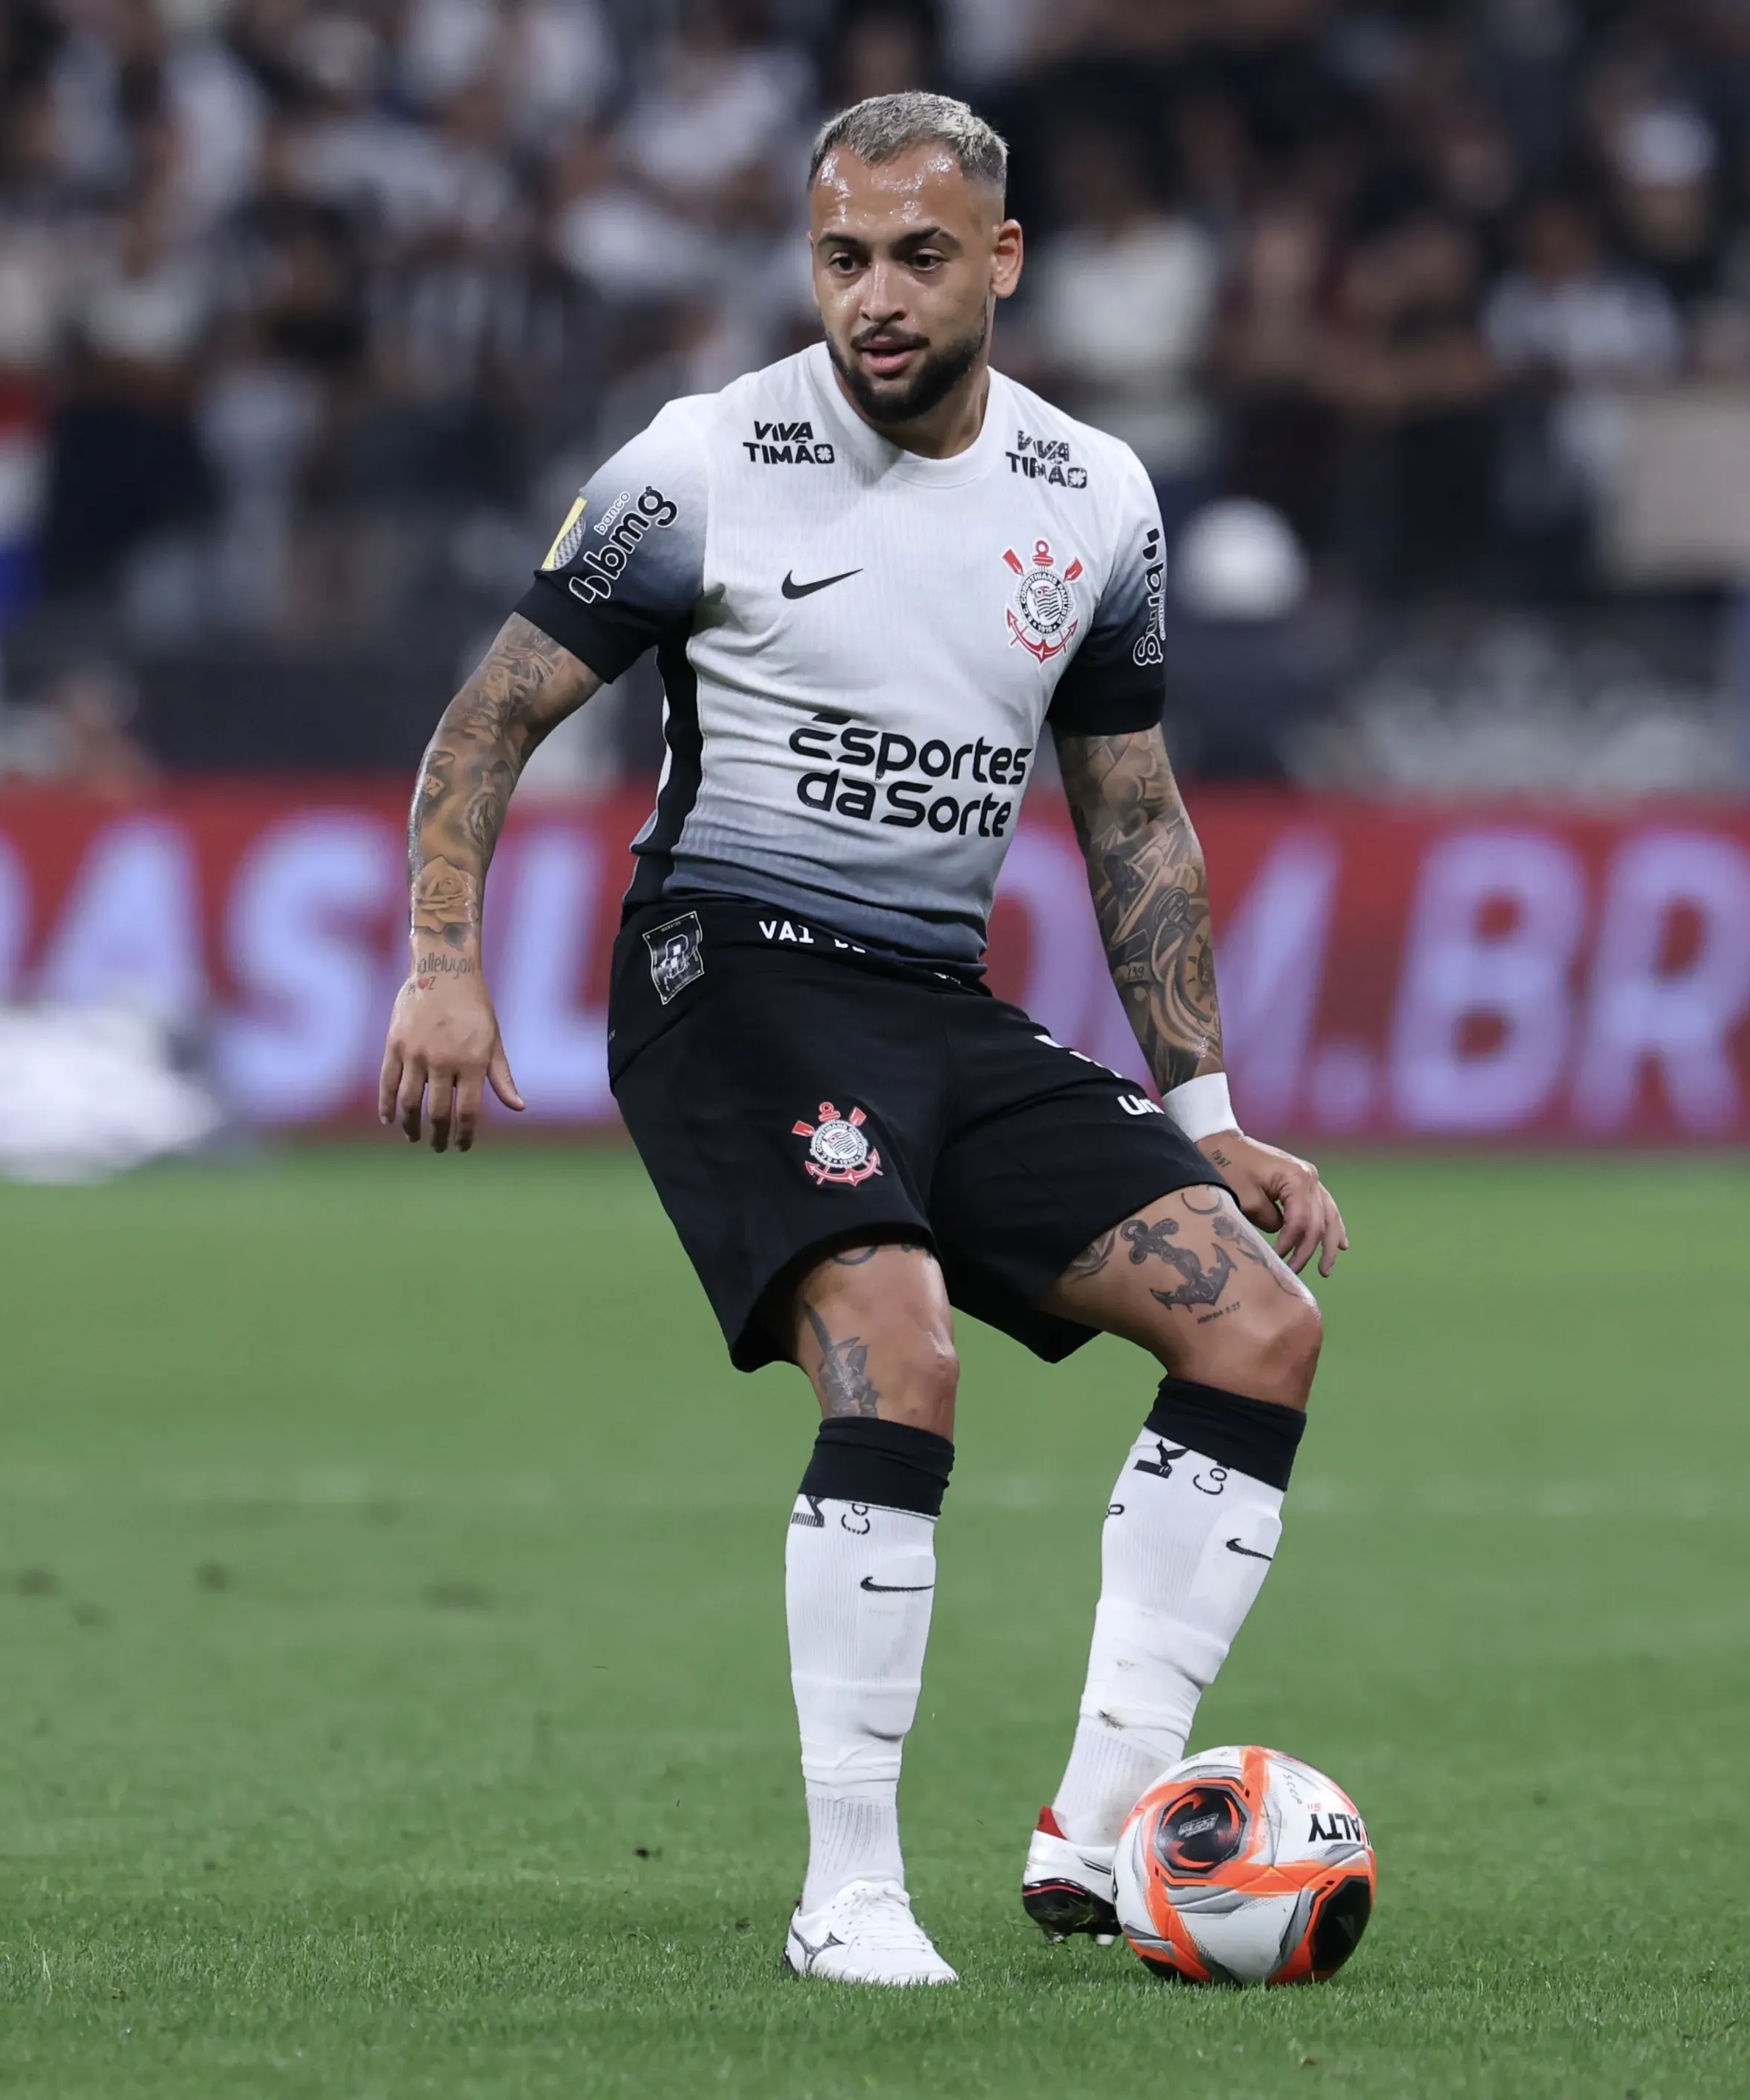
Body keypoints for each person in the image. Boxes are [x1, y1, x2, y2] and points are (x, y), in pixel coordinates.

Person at [377, 91, 1346, 1988]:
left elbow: (1134, 816)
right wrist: (440, 961)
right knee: (898, 1352)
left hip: (933, 1006)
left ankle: (1103, 1833)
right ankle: (849, 1896)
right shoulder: (703, 463)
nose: (874, 299)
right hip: (727, 978)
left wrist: (1210, 1110)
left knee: (1261, 1324)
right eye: (841, 259)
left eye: (916, 257)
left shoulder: (1096, 499)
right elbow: (487, 721)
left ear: (1003, 261)